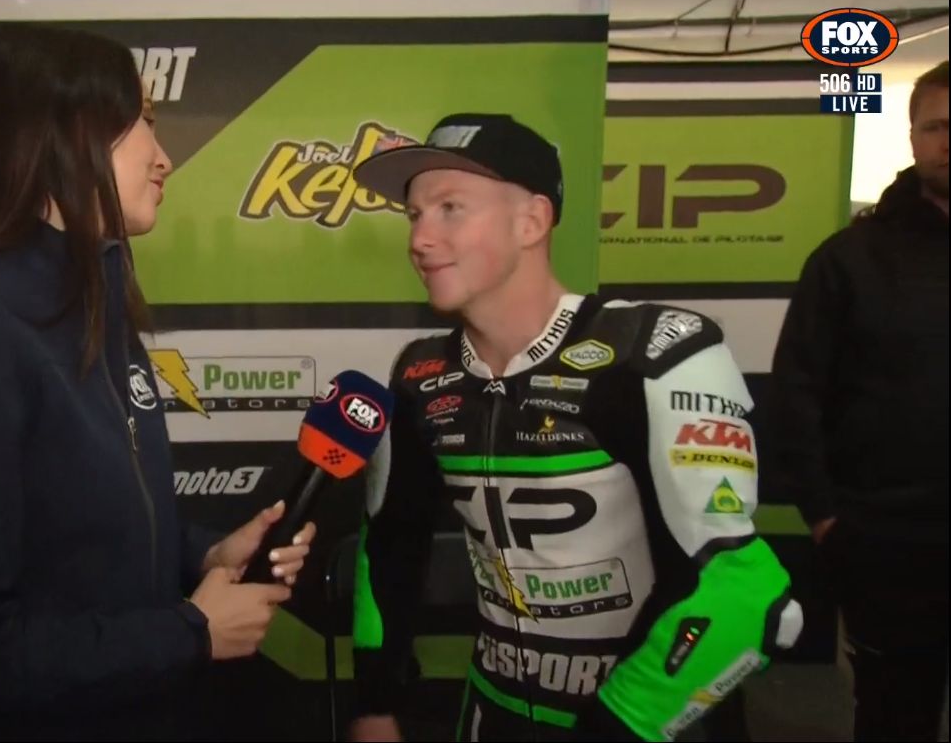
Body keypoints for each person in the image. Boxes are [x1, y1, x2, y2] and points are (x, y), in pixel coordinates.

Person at [0, 24, 315, 742]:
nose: (165, 158)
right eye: (145, 123)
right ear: (74, 133)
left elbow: (87, 540)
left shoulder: (96, 303)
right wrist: (189, 633)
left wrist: (204, 555)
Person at [343, 113, 804, 742]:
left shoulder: (654, 353)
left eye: (450, 208)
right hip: (492, 713)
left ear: (532, 221)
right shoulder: (420, 374)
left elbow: (745, 594)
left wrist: (618, 726)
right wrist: (375, 703)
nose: (420, 239)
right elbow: (389, 549)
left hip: (643, 723)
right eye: (414, 215)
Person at [768, 59, 948, 742]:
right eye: (937, 127)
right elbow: (797, 392)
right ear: (913, 137)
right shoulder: (849, 259)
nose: (949, 142)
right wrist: (825, 517)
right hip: (888, 543)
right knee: (895, 716)